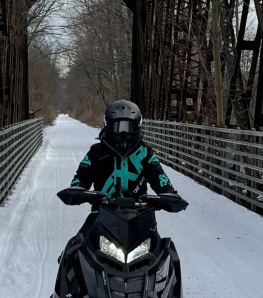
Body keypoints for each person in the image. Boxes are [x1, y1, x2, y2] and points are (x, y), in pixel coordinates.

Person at [68, 99, 186, 234]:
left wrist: (168, 193)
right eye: (118, 127)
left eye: (129, 127)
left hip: (139, 214)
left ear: (137, 126)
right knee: (78, 244)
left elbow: (157, 175)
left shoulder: (145, 152)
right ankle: (66, 256)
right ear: (108, 125)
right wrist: (77, 189)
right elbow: (82, 175)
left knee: (163, 249)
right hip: (101, 213)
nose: (124, 133)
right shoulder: (97, 152)